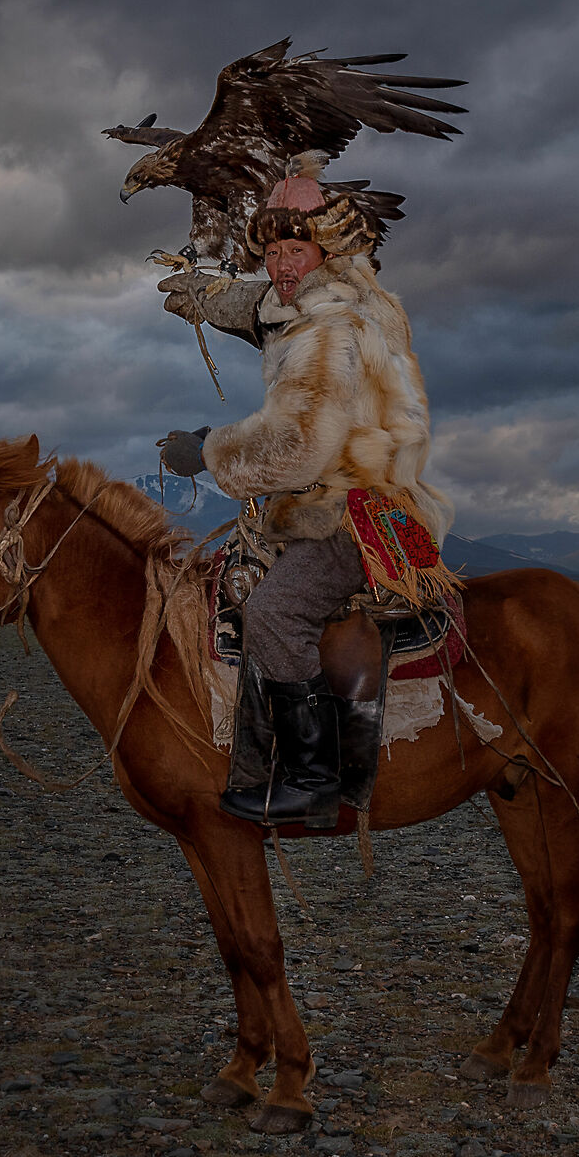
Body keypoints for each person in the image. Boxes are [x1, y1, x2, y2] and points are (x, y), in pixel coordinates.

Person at [156, 171, 452, 827]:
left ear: (327, 252)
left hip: (348, 511)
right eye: (272, 251)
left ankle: (314, 780)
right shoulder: (354, 298)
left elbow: (298, 444)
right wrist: (209, 297)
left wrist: (206, 451)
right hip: (370, 499)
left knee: (273, 612)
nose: (283, 265)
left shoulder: (329, 328)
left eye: (297, 250)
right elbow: (270, 304)